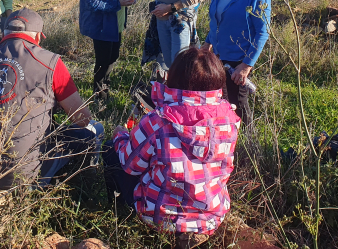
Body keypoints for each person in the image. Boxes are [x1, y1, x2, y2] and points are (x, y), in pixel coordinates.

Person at [103, 48, 241, 249]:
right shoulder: (229, 119)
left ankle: (119, 213)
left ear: (173, 78)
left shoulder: (159, 120)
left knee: (111, 150)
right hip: (211, 216)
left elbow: (129, 164)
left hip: (160, 217)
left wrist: (120, 135)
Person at [0, 8, 104, 188]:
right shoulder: (51, 62)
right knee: (95, 130)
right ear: (38, 37)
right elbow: (82, 119)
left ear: (5, 33)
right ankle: (87, 187)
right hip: (24, 174)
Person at [202, 0, 271, 126]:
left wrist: (246, 66)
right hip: (217, 56)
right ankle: (224, 141)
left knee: (238, 104)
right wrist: (207, 44)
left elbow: (262, 33)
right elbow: (217, 21)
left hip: (238, 60)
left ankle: (247, 146)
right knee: (219, 103)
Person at [79, 0, 136, 99]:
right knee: (103, 61)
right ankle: (99, 95)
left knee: (112, 57)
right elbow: (93, 4)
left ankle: (105, 87)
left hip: (115, 24)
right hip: (102, 27)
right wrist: (119, 3)